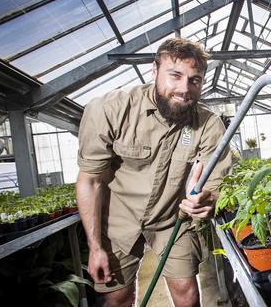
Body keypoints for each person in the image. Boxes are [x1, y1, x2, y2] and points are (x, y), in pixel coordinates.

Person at [76, 38, 232, 307]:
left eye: (194, 80)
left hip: (172, 218)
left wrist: (208, 198)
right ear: (154, 71)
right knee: (117, 297)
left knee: (187, 292)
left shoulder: (208, 124)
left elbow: (217, 180)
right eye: (175, 76)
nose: (184, 89)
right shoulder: (110, 109)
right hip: (118, 218)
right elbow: (90, 180)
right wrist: (95, 247)